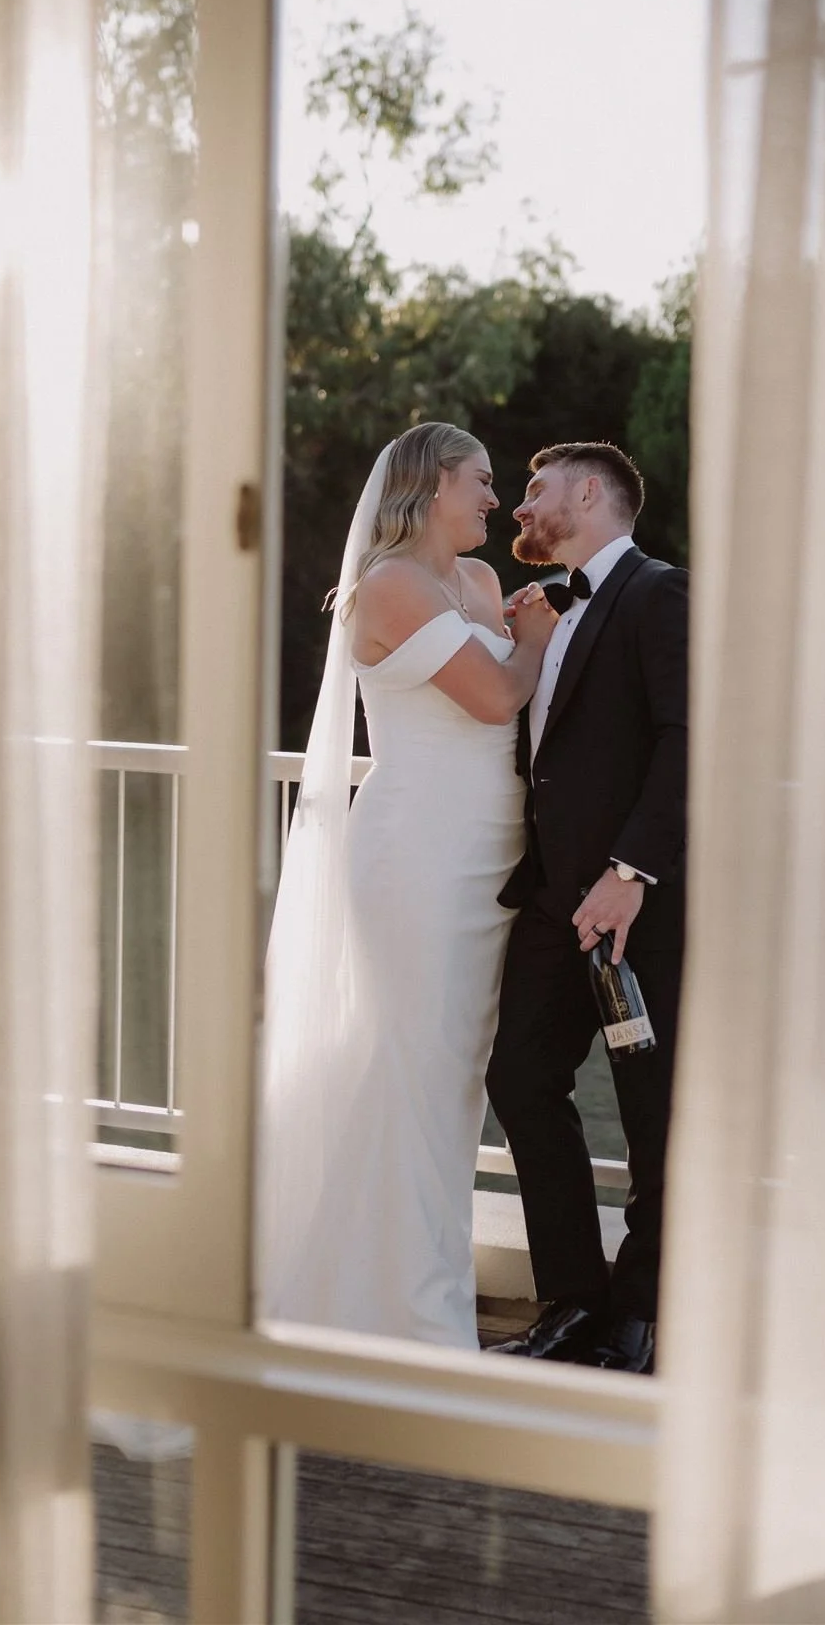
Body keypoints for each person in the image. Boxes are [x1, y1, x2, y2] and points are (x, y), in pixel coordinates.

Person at [258, 422, 558, 1347]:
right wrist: (538, 634)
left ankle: (408, 1294)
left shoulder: (475, 582)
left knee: (452, 1085)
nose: (493, 500)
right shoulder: (387, 585)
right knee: (410, 1077)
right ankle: (399, 1318)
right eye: (480, 480)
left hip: (487, 857)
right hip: (418, 857)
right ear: (430, 486)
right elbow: (498, 696)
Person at [487, 442, 688, 1374]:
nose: (520, 507)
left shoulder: (658, 593)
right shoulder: (547, 608)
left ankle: (641, 1320)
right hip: (547, 902)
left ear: (590, 492)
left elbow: (688, 738)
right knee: (521, 1078)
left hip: (630, 906)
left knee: (652, 1112)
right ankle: (572, 1298)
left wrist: (632, 871)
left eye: (535, 491)